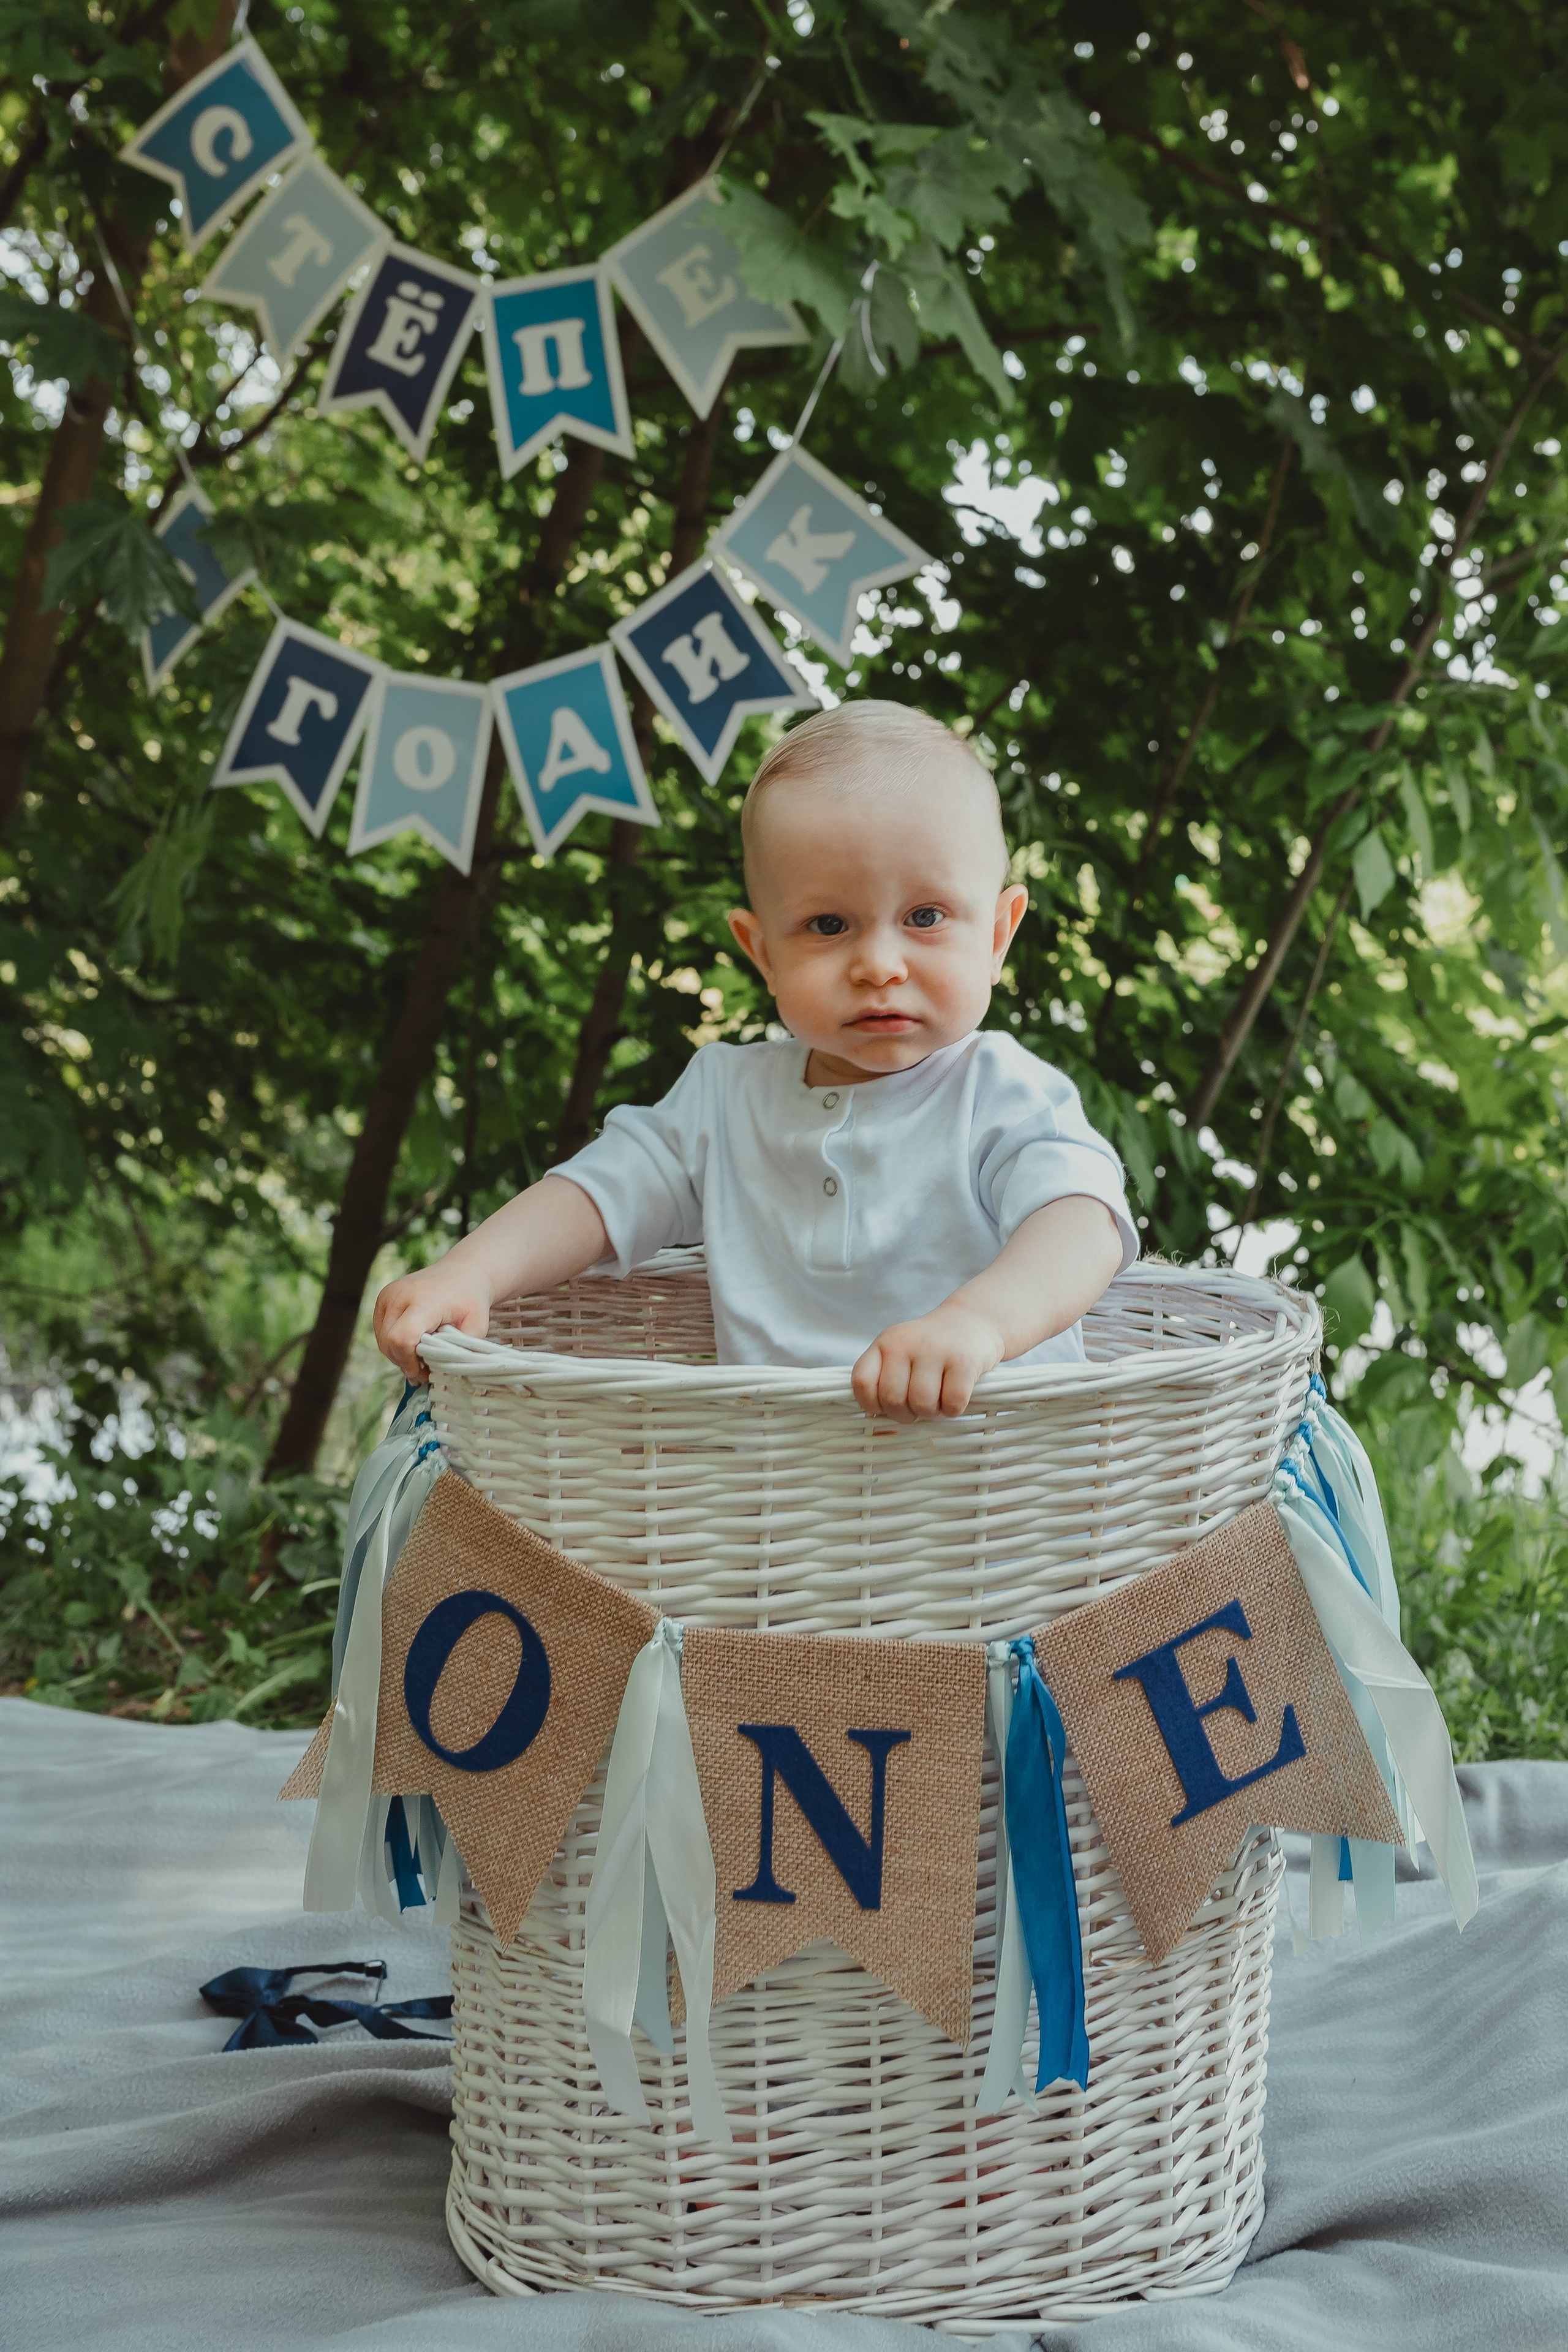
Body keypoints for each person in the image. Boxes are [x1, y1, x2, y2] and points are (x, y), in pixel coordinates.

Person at [374, 701, 1136, 1420]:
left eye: (925, 916)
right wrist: (470, 1272)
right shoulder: (724, 1098)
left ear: (997, 936)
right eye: (828, 924)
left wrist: (977, 1324)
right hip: (781, 1486)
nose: (879, 964)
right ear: (763, 953)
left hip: (1002, 1471)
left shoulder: (1001, 1092)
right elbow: (595, 1198)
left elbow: (1082, 1226)